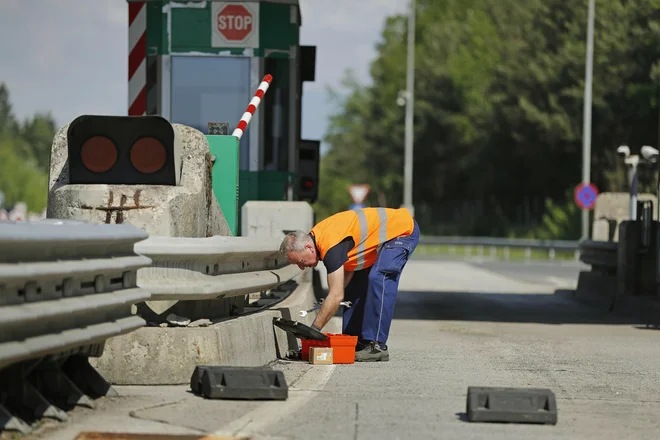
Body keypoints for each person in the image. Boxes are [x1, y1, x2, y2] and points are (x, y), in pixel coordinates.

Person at [279, 207, 420, 362]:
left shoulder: (330, 245)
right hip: (382, 237)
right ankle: (355, 342)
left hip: (402, 230)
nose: (301, 267)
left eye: (300, 261)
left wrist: (313, 331)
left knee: (379, 277)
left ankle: (377, 345)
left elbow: (336, 295)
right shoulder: (317, 239)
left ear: (308, 247)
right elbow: (340, 288)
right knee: (352, 286)